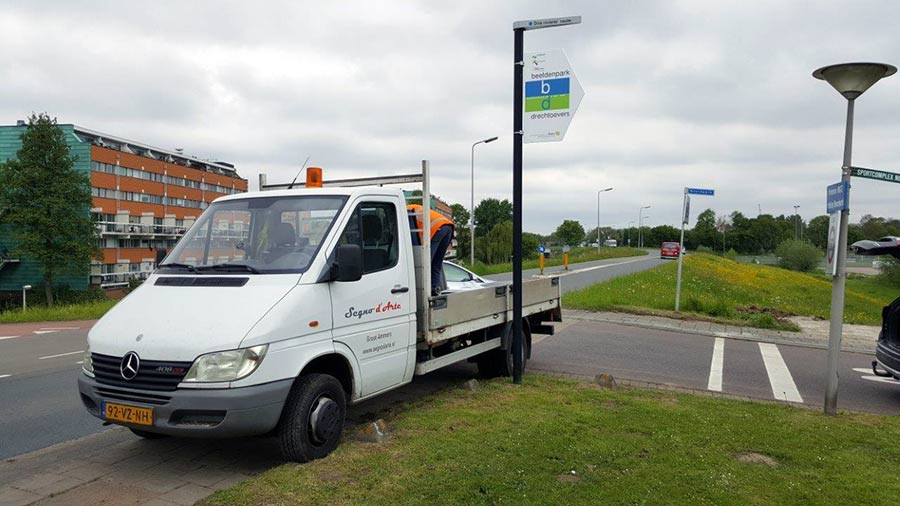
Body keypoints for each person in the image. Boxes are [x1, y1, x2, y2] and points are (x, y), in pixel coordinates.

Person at [407, 203, 454, 296]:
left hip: (437, 229)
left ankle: (424, 292)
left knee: (426, 264)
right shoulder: (412, 207)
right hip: (448, 227)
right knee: (436, 264)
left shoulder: (405, 212)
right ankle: (434, 289)